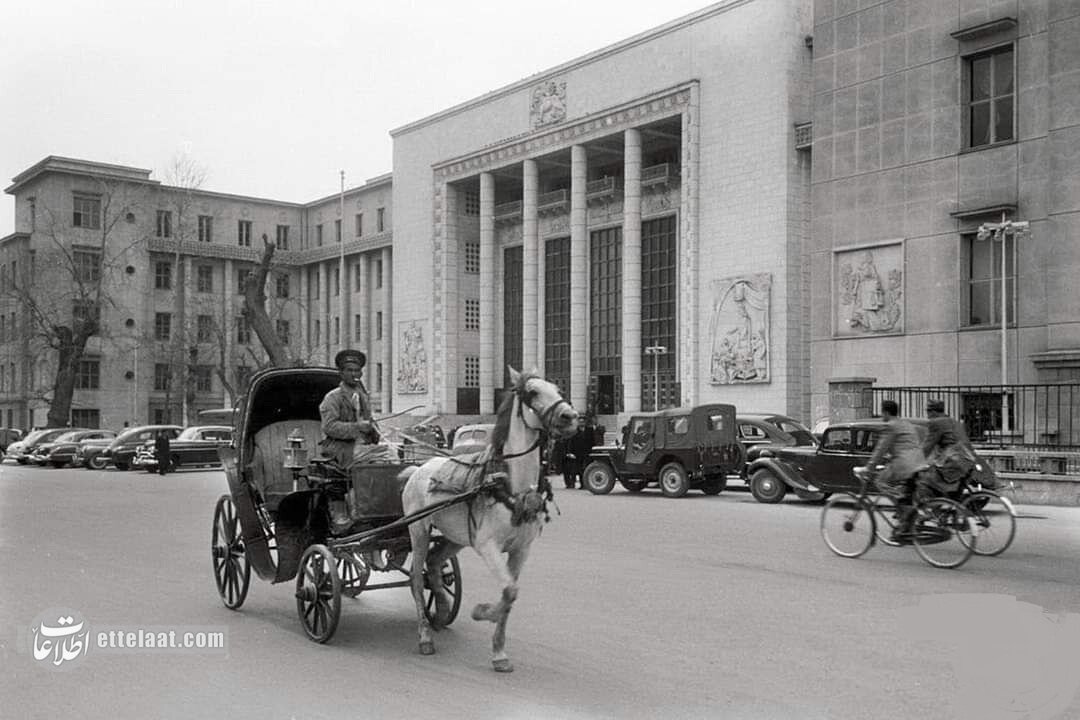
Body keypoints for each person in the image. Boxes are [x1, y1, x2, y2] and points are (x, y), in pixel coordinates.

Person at [859, 400, 927, 539]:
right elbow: (906, 445)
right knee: (908, 493)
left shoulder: (891, 426)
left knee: (880, 481)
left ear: (885, 412)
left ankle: (901, 506)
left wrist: (868, 468)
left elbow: (880, 450)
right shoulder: (906, 424)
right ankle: (907, 520)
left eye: (882, 412)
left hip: (904, 464)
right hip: (919, 463)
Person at [319, 349, 388, 468]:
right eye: (349, 370)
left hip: (362, 447)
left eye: (357, 371)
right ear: (341, 373)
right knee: (385, 457)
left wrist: (373, 428)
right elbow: (329, 427)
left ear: (361, 374)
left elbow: (369, 423)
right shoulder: (333, 397)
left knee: (394, 456)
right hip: (341, 450)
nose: (354, 374)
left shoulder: (363, 397)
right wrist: (358, 427)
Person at [922, 399, 976, 494]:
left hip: (954, 460)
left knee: (924, 479)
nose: (927, 415)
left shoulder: (936, 422)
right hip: (968, 459)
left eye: (927, 411)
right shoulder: (954, 422)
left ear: (933, 412)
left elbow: (927, 446)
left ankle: (928, 504)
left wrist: (916, 459)